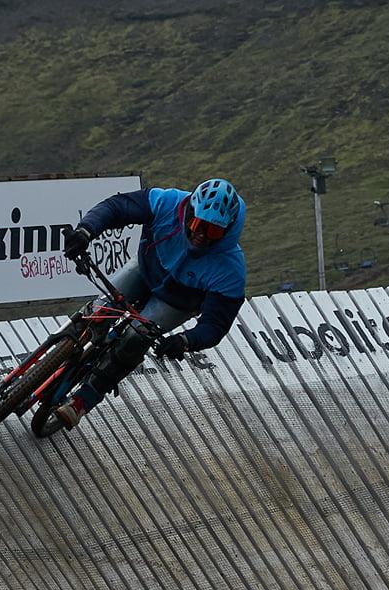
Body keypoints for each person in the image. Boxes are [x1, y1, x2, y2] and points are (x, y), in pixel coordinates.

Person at [45, 177, 248, 430]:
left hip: (177, 301)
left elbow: (216, 325)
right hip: (145, 268)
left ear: (227, 231)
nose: (201, 236)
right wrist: (86, 230)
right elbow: (116, 207)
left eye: (214, 231)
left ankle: (81, 402)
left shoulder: (231, 269)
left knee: (135, 338)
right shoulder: (167, 202)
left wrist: (186, 341)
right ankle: (53, 353)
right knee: (101, 309)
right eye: (197, 223)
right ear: (189, 211)